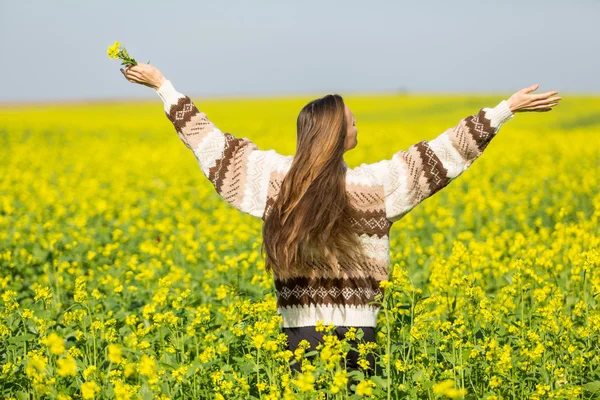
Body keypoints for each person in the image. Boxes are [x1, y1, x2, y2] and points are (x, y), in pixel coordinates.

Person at [120, 63, 561, 393]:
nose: (356, 124)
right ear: (335, 133)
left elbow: (210, 143)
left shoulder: (276, 182)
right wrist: (503, 111)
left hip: (299, 332)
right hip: (359, 334)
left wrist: (164, 87)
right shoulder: (375, 185)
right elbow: (442, 155)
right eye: (351, 119)